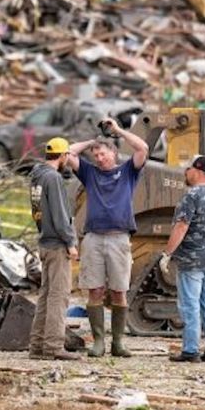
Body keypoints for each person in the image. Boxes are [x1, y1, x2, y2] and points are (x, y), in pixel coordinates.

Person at [67, 118, 149, 358]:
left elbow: (142, 148)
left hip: (119, 238)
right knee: (94, 289)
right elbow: (67, 152)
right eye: (96, 156)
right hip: (93, 238)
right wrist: (94, 140)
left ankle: (118, 343)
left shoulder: (127, 172)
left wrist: (118, 131)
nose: (99, 159)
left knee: (118, 291)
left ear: (113, 153)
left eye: (102, 154)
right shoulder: (90, 173)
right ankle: (99, 341)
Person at [160, 154, 205, 363]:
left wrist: (167, 253)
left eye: (187, 169)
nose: (184, 172)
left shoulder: (191, 196)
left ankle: (190, 351)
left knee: (190, 305)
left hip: (191, 259)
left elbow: (181, 226)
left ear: (196, 170)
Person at [27, 137, 81, 361]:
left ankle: (37, 345)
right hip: (57, 245)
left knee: (46, 296)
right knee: (59, 297)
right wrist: (70, 242)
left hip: (44, 242)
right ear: (63, 156)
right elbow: (60, 215)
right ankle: (53, 347)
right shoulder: (53, 178)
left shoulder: (36, 176)